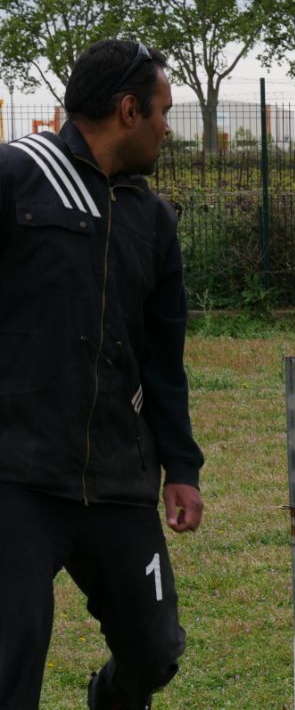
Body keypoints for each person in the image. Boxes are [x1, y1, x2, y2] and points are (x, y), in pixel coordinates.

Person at [0, 39, 204, 709]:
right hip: (18, 475)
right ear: (127, 109)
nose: (166, 130)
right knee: (11, 657)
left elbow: (163, 361)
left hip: (117, 477)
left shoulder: (154, 220)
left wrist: (180, 467)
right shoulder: (17, 176)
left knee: (154, 654)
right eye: (163, 113)